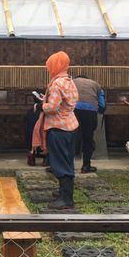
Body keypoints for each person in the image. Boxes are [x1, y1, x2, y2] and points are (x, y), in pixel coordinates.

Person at [37, 51, 79, 209]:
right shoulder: (69, 81)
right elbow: (69, 102)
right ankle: (64, 191)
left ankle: (66, 199)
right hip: (70, 126)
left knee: (60, 163)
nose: (49, 69)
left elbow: (53, 108)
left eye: (50, 66)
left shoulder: (56, 84)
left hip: (58, 128)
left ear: (56, 65)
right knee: (67, 160)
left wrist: (40, 105)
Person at [73, 75, 105, 173]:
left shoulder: (71, 82)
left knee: (72, 137)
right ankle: (86, 166)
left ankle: (68, 166)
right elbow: (102, 105)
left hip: (74, 109)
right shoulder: (97, 85)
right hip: (90, 111)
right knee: (88, 139)